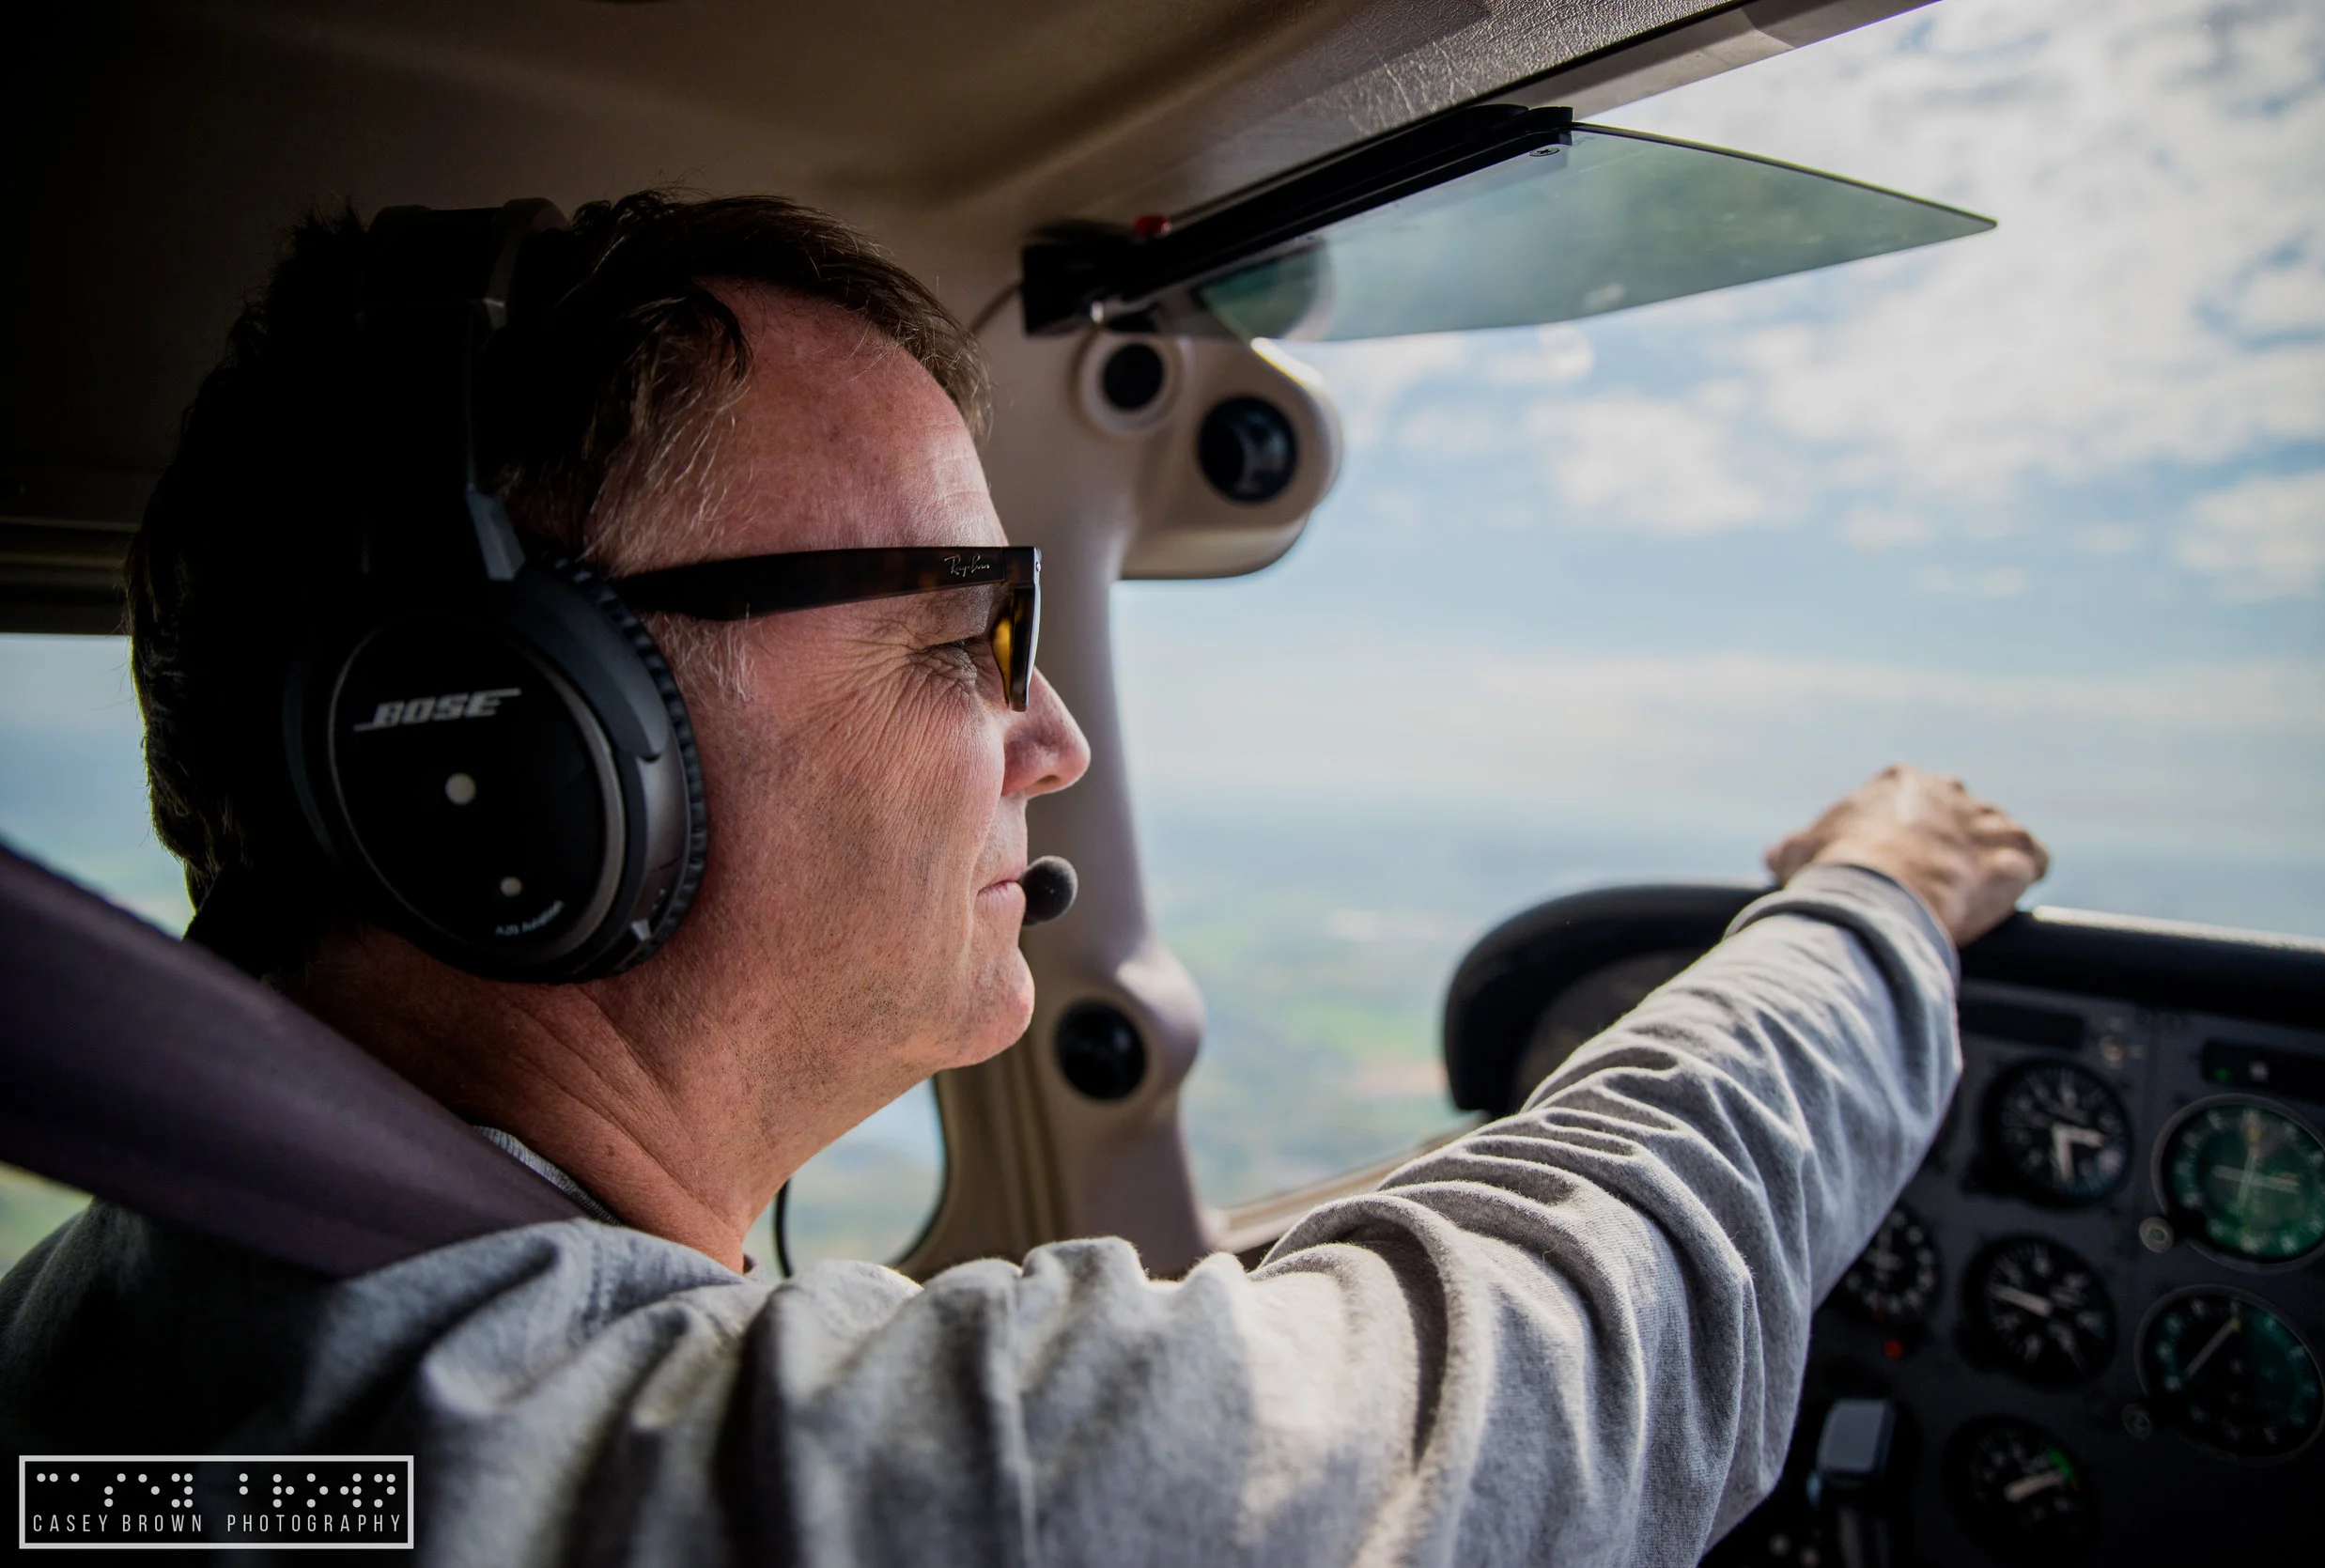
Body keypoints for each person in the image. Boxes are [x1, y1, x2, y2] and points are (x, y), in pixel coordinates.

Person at [0, 192, 2048, 1566]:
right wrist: (1869, 903)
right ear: (521, 760)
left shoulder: (155, 1329)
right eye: (965, 627)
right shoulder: (681, 1474)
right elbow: (1569, 1369)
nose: (1052, 737)